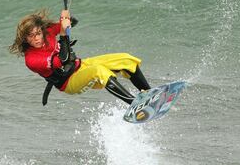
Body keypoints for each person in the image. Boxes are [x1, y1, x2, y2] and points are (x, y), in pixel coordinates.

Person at [9, 8, 151, 105]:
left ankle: (149, 94)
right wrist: (64, 35)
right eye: (31, 36)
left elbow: (69, 24)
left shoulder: (47, 32)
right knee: (98, 71)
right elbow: (62, 60)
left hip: (80, 65)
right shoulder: (31, 60)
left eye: (38, 33)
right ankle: (134, 104)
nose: (36, 38)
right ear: (25, 38)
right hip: (69, 82)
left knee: (126, 60)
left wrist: (67, 19)